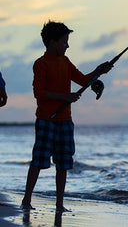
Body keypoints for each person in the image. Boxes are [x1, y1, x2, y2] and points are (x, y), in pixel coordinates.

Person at [21, 21, 112, 212]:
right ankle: (26, 200)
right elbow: (39, 93)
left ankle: (59, 204)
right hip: (46, 120)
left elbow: (83, 80)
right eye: (64, 42)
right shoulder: (41, 64)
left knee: (63, 163)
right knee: (38, 160)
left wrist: (99, 70)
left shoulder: (66, 62)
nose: (67, 45)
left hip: (65, 121)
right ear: (52, 42)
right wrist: (66, 97)